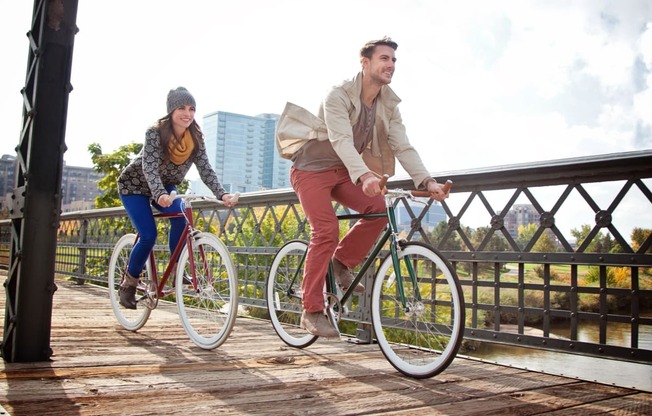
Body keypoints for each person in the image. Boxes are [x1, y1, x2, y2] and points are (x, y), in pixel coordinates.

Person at [276, 37, 450, 337]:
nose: (391, 65)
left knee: (379, 210)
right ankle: (312, 309)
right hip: (311, 170)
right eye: (384, 58)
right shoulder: (338, 94)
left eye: (394, 60)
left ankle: (341, 261)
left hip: (344, 172)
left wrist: (427, 181)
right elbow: (341, 140)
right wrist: (366, 176)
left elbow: (402, 145)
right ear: (365, 62)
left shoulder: (388, 104)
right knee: (326, 230)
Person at [117, 87, 238, 309]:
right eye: (182, 108)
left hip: (166, 187)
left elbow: (205, 169)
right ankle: (129, 284)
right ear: (171, 111)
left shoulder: (195, 138)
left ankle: (178, 271)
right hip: (135, 186)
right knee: (148, 235)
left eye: (192, 109)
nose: (187, 113)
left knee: (181, 219)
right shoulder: (155, 132)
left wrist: (222, 193)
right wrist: (159, 194)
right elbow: (149, 167)